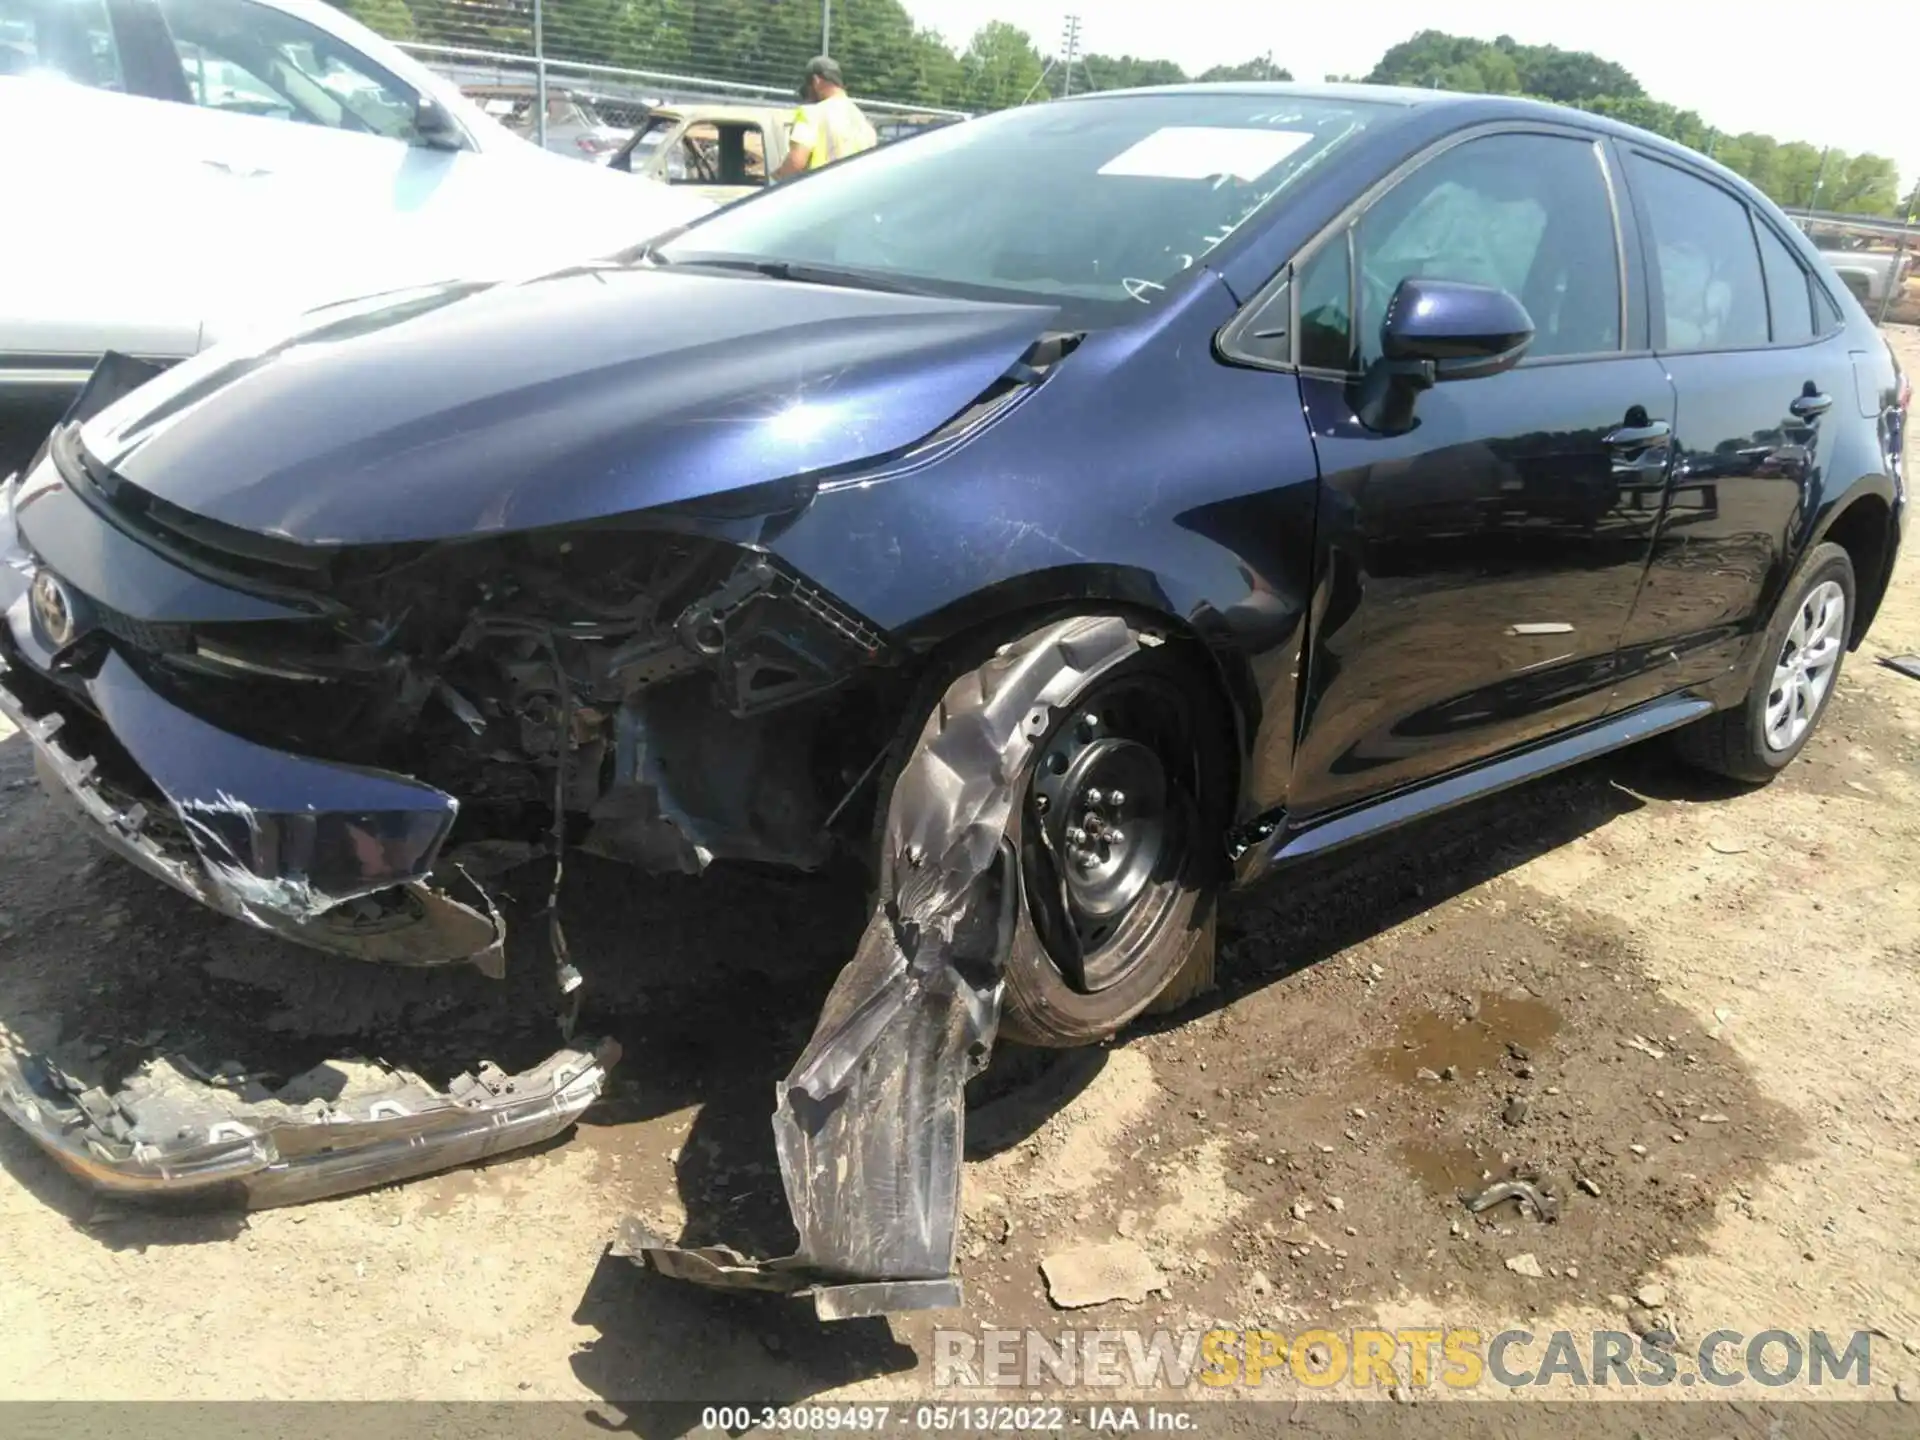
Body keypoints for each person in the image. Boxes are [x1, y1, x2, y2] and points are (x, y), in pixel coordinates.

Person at [775, 56, 877, 179]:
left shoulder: (811, 113)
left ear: (816, 81)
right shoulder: (863, 122)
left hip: (822, 192)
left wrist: (776, 177)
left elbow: (796, 162)